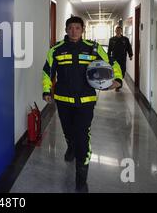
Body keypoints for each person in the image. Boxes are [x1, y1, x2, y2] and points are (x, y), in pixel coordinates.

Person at [42, 16, 123, 192]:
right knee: (68, 131)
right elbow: (48, 71)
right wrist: (47, 90)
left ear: (82, 29)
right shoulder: (56, 50)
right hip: (63, 100)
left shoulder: (93, 49)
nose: (73, 31)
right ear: (66, 30)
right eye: (70, 28)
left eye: (77, 28)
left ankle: (81, 176)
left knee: (82, 135)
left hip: (86, 101)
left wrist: (117, 79)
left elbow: (112, 62)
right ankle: (71, 146)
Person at [108, 26, 133, 92]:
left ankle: (119, 82)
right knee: (115, 71)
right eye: (117, 30)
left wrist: (130, 55)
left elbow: (129, 48)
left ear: (121, 31)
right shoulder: (112, 39)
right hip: (114, 58)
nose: (118, 31)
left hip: (122, 58)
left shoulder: (125, 39)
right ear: (115, 31)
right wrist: (108, 57)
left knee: (122, 71)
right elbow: (109, 49)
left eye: (119, 30)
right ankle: (118, 85)